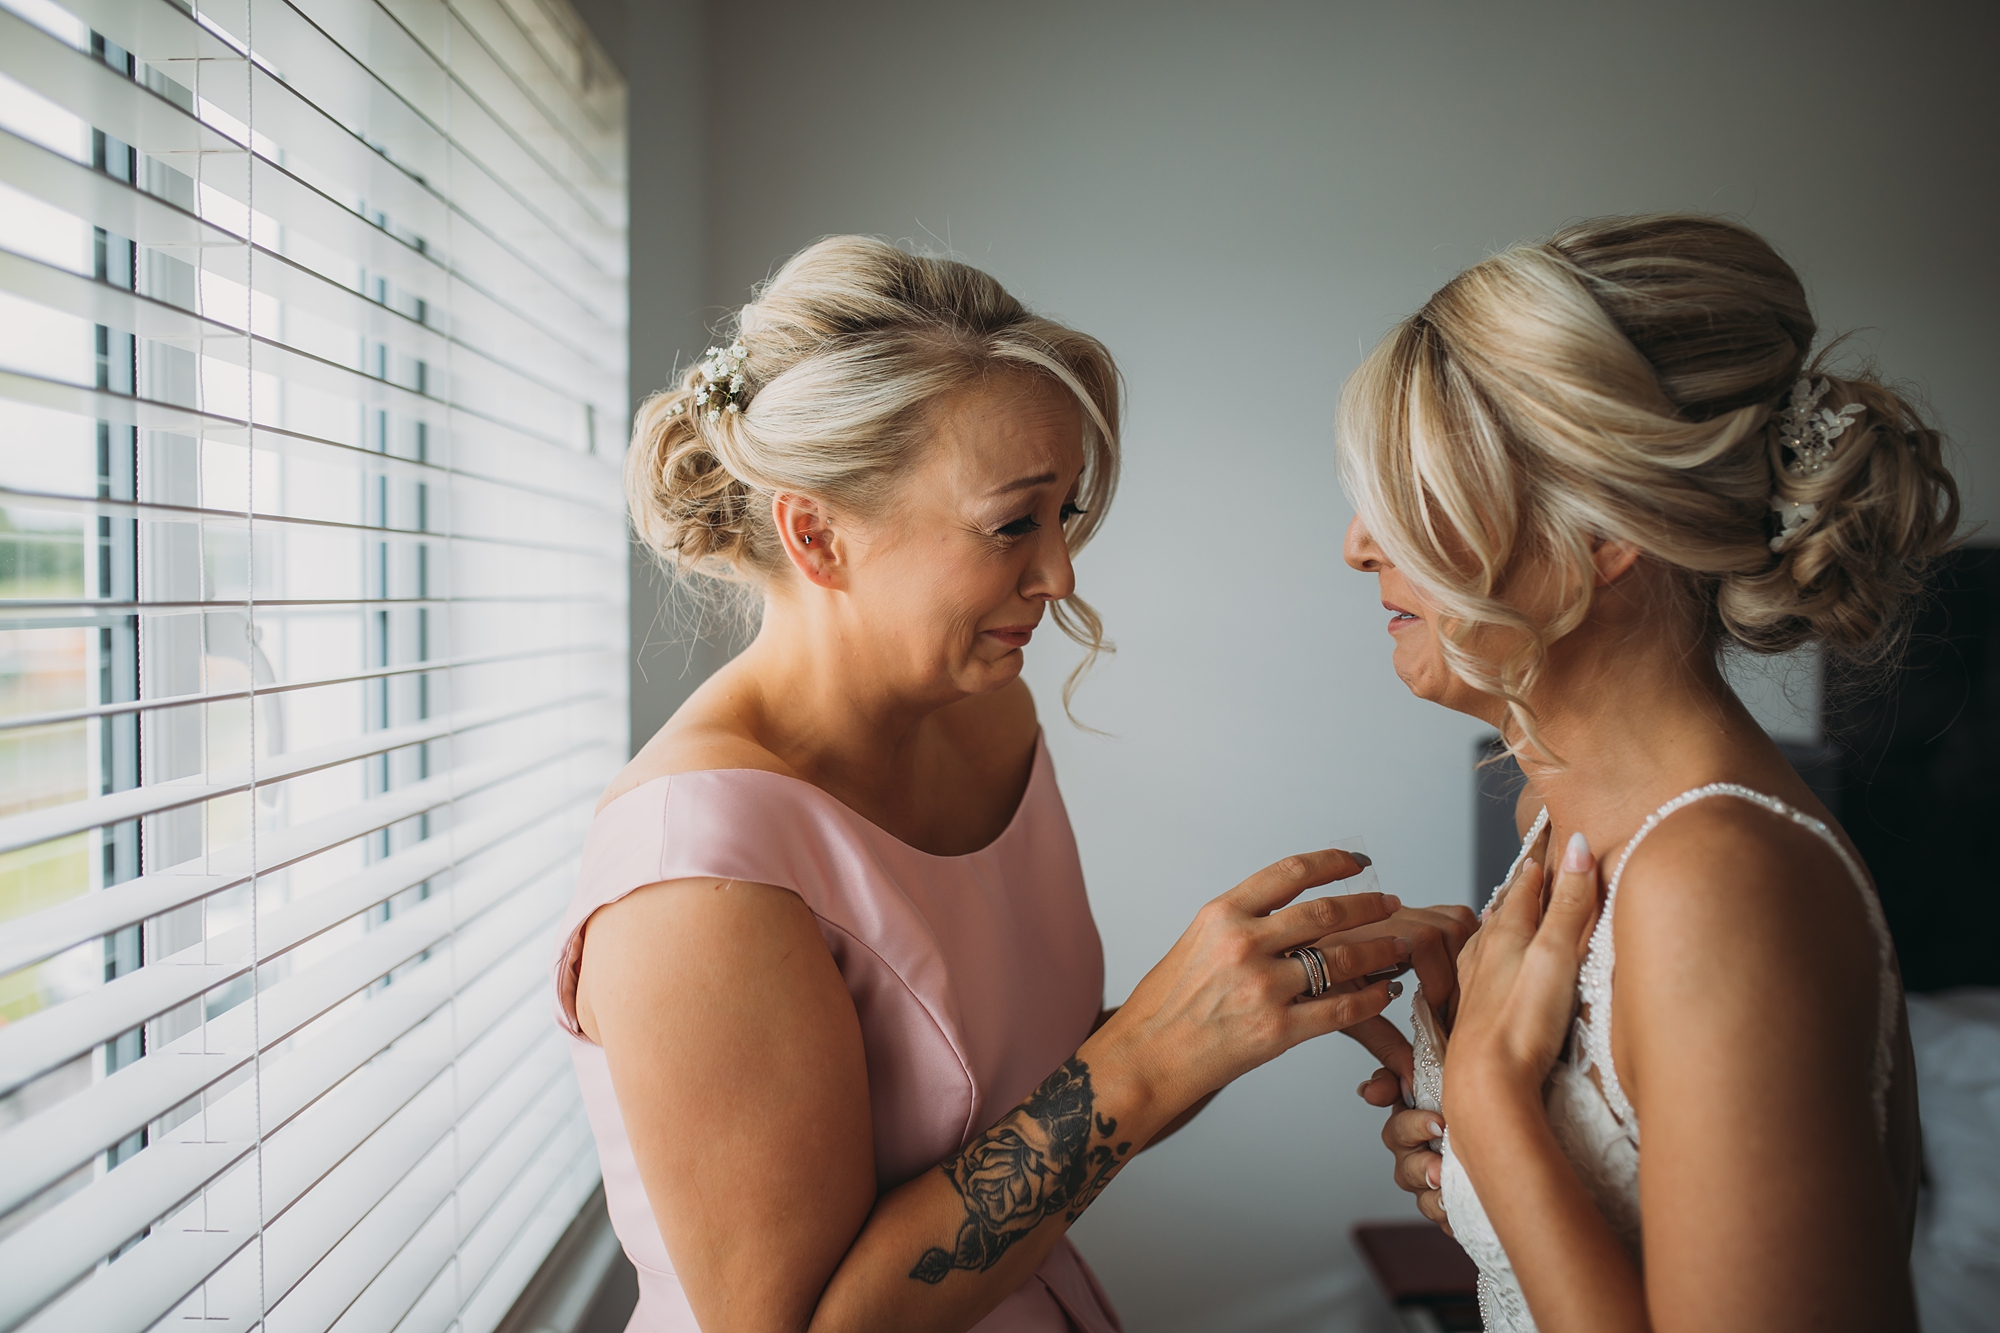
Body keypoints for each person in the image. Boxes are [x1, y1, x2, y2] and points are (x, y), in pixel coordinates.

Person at [553, 237, 1474, 1332]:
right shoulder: (689, 873)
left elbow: (1015, 1104)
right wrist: (1151, 1053)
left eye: (1064, 515)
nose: (1060, 575)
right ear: (817, 535)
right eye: (1011, 524)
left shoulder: (985, 714)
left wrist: (1250, 1000)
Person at [1341, 214, 1959, 1332]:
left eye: (1414, 489)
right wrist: (1488, 1194)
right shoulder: (1559, 818)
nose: (1356, 542)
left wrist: (1490, 1109)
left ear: (1598, 533)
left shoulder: (1715, 886)